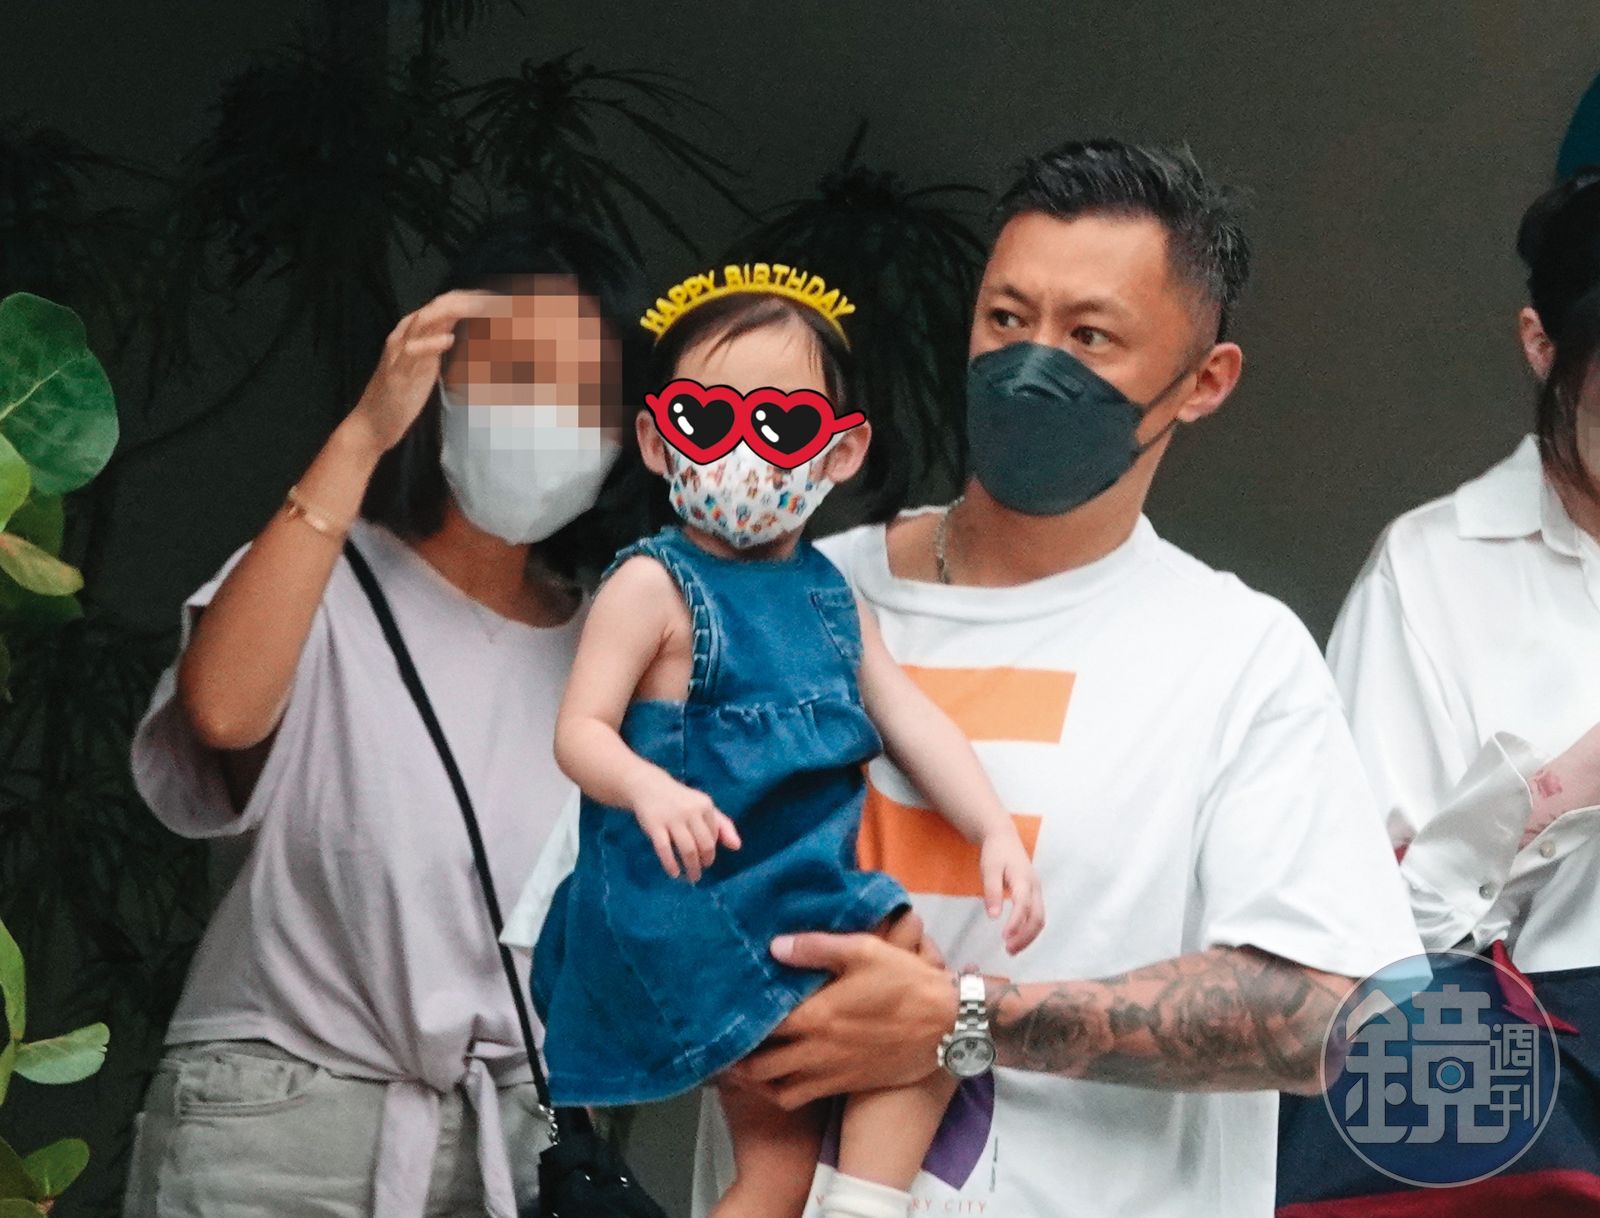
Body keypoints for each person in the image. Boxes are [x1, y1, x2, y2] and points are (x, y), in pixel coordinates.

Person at [680, 139, 1424, 1218]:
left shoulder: (1235, 657)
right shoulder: (784, 602)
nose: (1032, 365)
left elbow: (1334, 1010)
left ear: (1204, 381)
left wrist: (961, 1020)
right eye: (1005, 319)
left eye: (1089, 336)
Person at [121, 217, 644, 1218]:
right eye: (518, 373)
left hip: (510, 1145)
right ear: (437, 376)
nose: (551, 416)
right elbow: (222, 710)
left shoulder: (612, 646)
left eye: (592, 396)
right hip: (278, 1126)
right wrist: (364, 432)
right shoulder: (327, 575)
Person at [532, 274, 1045, 1218]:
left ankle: (854, 1203)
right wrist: (649, 788)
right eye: (703, 421)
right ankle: (866, 1207)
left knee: (782, 1169)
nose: (739, 451)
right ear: (655, 439)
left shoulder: (830, 597)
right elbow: (579, 732)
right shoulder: (651, 586)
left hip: (790, 893)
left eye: (780, 427)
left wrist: (992, 831)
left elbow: (914, 721)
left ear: (840, 451)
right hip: (691, 899)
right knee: (928, 994)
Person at [1280, 169, 1600, 1207]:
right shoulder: (1431, 572)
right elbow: (1363, 940)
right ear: (1541, 345)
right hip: (1537, 1111)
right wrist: (1558, 791)